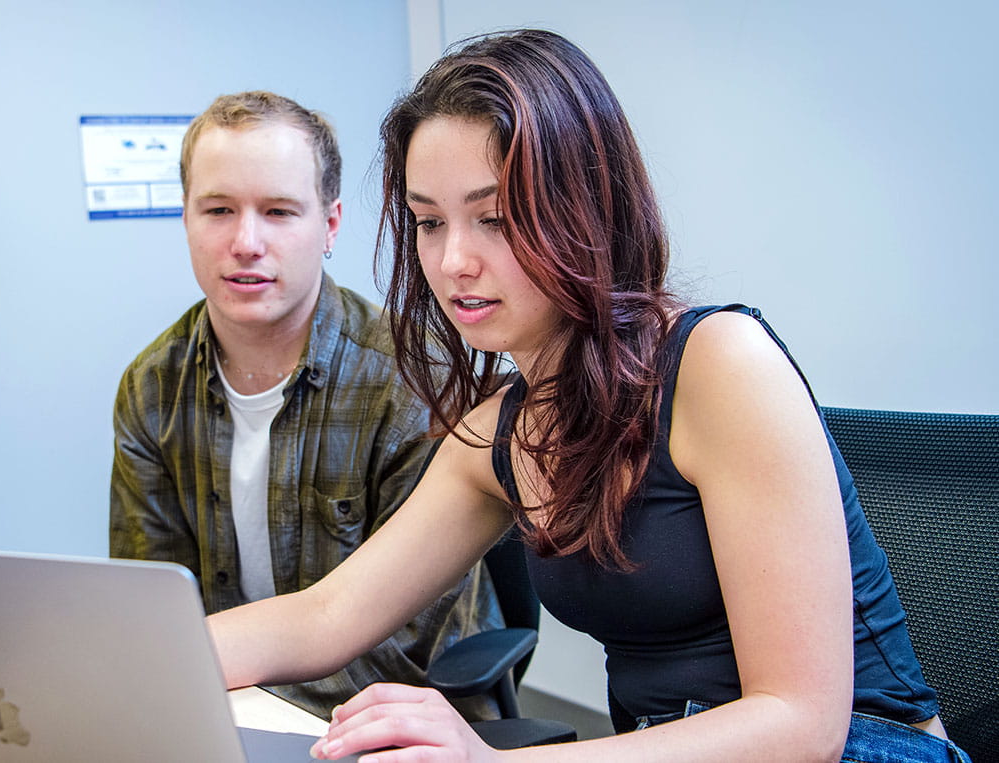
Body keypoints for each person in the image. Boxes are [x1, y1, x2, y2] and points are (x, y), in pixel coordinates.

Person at [208, 31, 968, 762]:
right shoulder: (500, 433)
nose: (452, 260)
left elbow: (802, 725)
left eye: (495, 218)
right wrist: (139, 648)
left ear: (587, 207)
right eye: (429, 222)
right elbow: (330, 613)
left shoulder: (719, 364)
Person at [110, 91, 502, 721]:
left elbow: (403, 647)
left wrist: (233, 711)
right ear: (184, 217)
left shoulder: (413, 377)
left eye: (279, 211)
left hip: (399, 713)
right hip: (224, 707)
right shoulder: (152, 387)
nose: (245, 242)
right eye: (218, 210)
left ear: (331, 224)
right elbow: (155, 605)